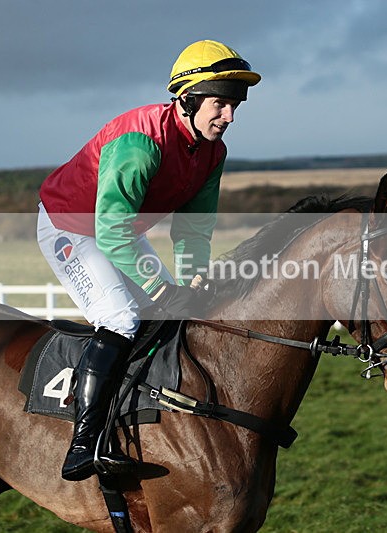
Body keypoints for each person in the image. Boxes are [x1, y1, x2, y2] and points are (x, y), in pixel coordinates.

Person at [36, 39, 260, 481]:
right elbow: (109, 231)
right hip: (71, 227)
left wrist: (191, 282)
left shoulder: (213, 152)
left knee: (169, 310)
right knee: (120, 319)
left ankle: (142, 414)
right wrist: (162, 287)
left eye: (234, 106)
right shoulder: (140, 144)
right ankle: (83, 446)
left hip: (117, 231)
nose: (229, 117)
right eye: (220, 104)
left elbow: (194, 229)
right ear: (189, 98)